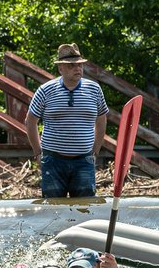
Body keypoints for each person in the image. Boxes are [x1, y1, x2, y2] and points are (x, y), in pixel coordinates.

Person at [24, 43, 109, 199]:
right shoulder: (45, 90)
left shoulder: (94, 89)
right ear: (60, 68)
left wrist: (95, 152)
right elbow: (30, 121)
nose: (78, 69)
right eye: (71, 66)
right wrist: (37, 153)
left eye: (80, 65)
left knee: (85, 209)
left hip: (84, 160)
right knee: (52, 211)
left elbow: (102, 120)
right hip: (53, 161)